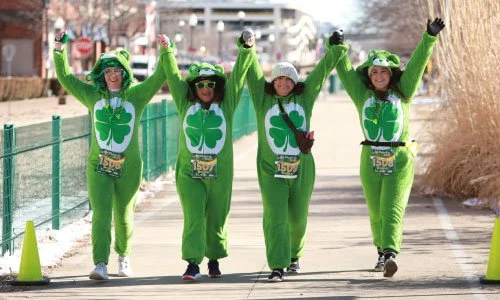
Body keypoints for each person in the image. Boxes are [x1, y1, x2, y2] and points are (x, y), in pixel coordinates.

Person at [330, 18, 445, 277]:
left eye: (384, 72)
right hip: (370, 158)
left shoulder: (404, 92)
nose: (379, 76)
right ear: (369, 77)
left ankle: (391, 253)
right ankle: (381, 252)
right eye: (374, 72)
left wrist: (429, 36)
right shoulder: (362, 96)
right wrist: (338, 48)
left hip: (400, 159)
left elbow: (415, 67)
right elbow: (346, 73)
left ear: (390, 75)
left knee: (392, 208)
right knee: (376, 212)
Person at [53, 30, 170, 280]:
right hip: (99, 166)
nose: (112, 76)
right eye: (107, 72)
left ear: (124, 74)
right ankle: (100, 264)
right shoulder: (92, 95)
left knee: (124, 217)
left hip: (129, 167)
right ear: (101, 75)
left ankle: (124, 256)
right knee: (101, 214)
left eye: (117, 71)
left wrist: (165, 50)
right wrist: (59, 48)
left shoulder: (136, 96)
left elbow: (160, 76)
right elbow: (65, 77)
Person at [246, 32, 346, 282]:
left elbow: (321, 73)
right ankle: (277, 265)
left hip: (302, 169)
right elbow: (252, 73)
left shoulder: (304, 97)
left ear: (294, 82)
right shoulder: (263, 99)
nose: (283, 83)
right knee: (276, 217)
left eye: (288, 79)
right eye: (279, 78)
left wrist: (334, 48)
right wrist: (248, 47)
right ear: (273, 81)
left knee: (298, 219)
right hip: (271, 171)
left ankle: (294, 255)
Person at [160, 29, 256, 280]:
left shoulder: (227, 105)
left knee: (216, 218)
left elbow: (237, 78)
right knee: (193, 217)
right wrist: (168, 50)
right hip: (188, 173)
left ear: (216, 87)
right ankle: (193, 263)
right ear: (194, 87)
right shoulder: (185, 104)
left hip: (219, 174)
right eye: (200, 84)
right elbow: (172, 76)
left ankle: (213, 258)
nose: (205, 89)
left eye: (210, 84)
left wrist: (245, 48)